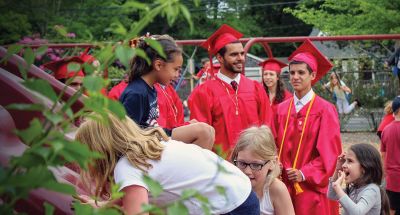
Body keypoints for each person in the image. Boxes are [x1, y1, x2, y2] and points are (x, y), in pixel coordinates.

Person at [76, 113, 260, 215]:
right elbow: (129, 193)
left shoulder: (127, 168)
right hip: (240, 193)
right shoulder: (150, 147)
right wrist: (104, 206)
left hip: (230, 207)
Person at [274, 39, 342, 215]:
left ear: (313, 76)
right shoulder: (281, 109)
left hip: (311, 190)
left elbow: (330, 154)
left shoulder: (325, 110)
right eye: (292, 72)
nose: (295, 77)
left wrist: (304, 173)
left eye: (301, 73)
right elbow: (272, 145)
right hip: (282, 188)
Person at [188, 24, 272, 156]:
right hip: (220, 165)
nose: (241, 58)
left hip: (254, 164)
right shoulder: (204, 92)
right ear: (220, 58)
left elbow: (267, 126)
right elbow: (202, 137)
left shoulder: (256, 88)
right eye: (234, 54)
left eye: (242, 53)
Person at [119, 34, 214, 150]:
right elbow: (127, 136)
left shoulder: (151, 88)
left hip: (157, 137)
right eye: (176, 69)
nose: (178, 75)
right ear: (158, 65)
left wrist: (184, 127)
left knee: (208, 130)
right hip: (147, 147)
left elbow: (151, 125)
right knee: (202, 131)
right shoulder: (136, 93)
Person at [231, 126, 295, 215]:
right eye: (242, 163)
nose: (247, 171)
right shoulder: (231, 186)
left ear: (272, 163)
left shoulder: (276, 189)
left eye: (256, 165)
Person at [328, 143, 390, 215]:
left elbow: (357, 212)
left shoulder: (372, 190)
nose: (343, 165)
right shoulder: (354, 188)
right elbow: (331, 195)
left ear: (364, 168)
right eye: (345, 161)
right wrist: (337, 169)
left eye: (350, 161)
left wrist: (337, 187)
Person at [381, 96, 400, 215]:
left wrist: (384, 175)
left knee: (391, 210)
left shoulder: (386, 130)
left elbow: (383, 156)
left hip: (391, 180)